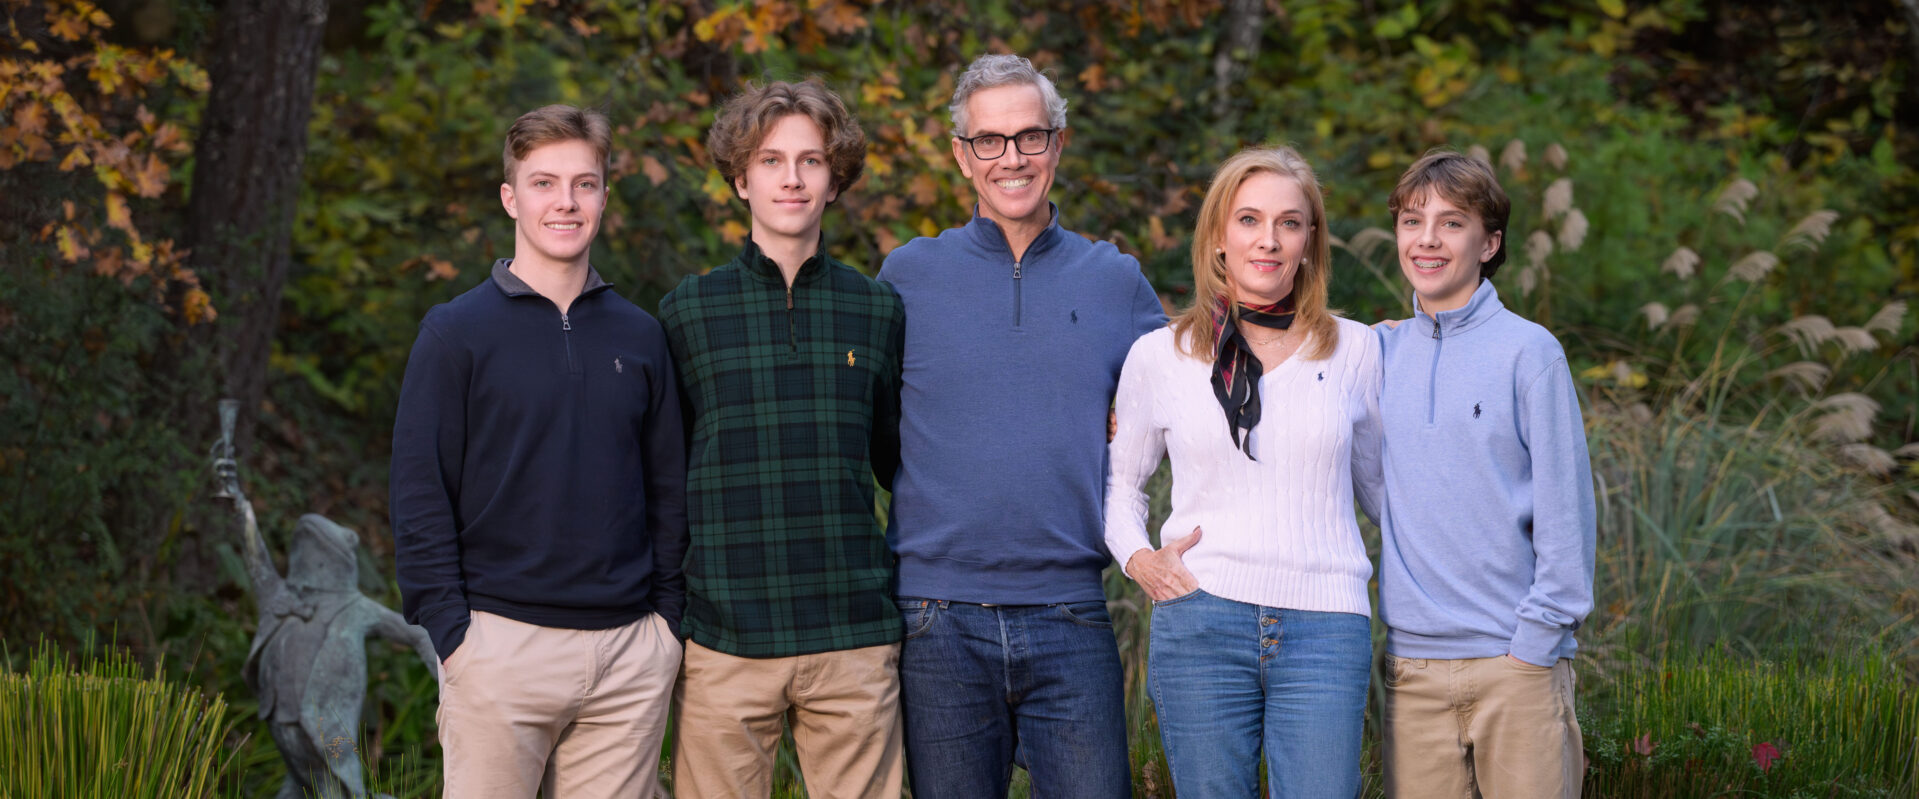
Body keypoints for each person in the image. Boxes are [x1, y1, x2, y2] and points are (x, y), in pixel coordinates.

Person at [877, 53, 1165, 799]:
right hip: (935, 616)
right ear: (961, 156)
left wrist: (1344, 338)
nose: (1012, 158)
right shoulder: (906, 276)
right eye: (990, 141)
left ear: (1058, 144)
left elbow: (1187, 401)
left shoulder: (1115, 282)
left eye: (1030, 137)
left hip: (1070, 611)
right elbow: (870, 424)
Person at [389, 104, 687, 797]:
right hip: (499, 647)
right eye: (544, 182)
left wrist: (664, 625)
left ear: (605, 196)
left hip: (627, 655)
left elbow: (669, 486)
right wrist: (453, 634)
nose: (565, 202)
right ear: (510, 197)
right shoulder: (455, 333)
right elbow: (419, 489)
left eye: (584, 184)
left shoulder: (641, 335)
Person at [1105, 146, 1383, 797]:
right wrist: (1138, 559)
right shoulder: (1160, 354)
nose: (1268, 239)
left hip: (1325, 625)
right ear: (1219, 238)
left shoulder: (1359, 348)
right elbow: (1120, 486)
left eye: (1289, 222)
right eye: (1249, 219)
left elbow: (1386, 497)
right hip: (1200, 614)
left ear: (1310, 240)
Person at [657, 79, 906, 799]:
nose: (791, 178)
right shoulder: (687, 310)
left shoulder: (877, 308)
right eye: (770, 160)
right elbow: (664, 476)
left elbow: (899, 465)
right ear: (740, 179)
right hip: (726, 636)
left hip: (853, 632)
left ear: (835, 180)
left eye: (810, 160)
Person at [1376, 150, 1596, 798]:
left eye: (1450, 223)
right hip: (1411, 672)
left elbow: (1566, 512)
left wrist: (1533, 645)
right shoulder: (1376, 352)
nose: (1427, 239)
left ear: (1488, 241)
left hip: (1516, 663)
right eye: (1412, 221)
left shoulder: (1530, 352)